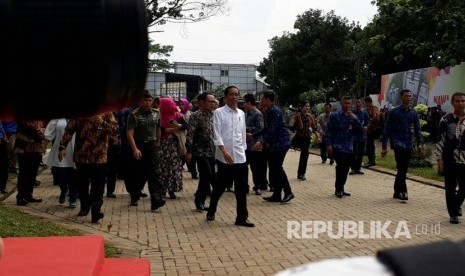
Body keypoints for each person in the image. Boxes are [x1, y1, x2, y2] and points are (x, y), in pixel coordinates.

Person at [206, 86, 255, 227]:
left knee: (241, 189)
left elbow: (242, 133)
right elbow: (217, 133)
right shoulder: (219, 113)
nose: (234, 97)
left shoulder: (241, 113)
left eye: (236, 94)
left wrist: (244, 150)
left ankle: (241, 217)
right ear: (226, 97)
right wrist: (223, 150)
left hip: (240, 157)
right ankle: (212, 208)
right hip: (224, 157)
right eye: (231, 94)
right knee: (221, 186)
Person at [59, 113, 118, 223]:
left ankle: (96, 211)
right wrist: (62, 147)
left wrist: (102, 122)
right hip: (82, 157)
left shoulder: (107, 114)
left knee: (98, 186)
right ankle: (85, 207)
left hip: (100, 157)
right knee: (82, 185)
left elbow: (115, 131)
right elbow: (69, 130)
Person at [126, 91, 165, 210]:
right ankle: (135, 195)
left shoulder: (156, 113)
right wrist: (135, 149)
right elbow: (129, 133)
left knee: (155, 172)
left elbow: (158, 128)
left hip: (152, 145)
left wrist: (158, 144)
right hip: (139, 145)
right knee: (139, 173)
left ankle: (156, 200)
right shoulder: (134, 115)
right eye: (145, 100)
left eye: (150, 100)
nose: (148, 103)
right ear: (140, 101)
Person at [381, 89, 423, 201]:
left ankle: (396, 191)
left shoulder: (413, 113)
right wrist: (384, 146)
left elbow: (418, 129)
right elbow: (387, 129)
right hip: (397, 143)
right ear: (401, 97)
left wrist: (420, 143)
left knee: (403, 169)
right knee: (401, 166)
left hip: (408, 143)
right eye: (406, 96)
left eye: (410, 96)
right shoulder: (394, 112)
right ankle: (403, 191)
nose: (408, 98)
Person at [254, 91, 294, 203]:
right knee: (274, 168)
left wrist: (261, 142)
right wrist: (253, 135)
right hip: (276, 144)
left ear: (268, 99)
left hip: (281, 143)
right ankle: (277, 194)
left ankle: (288, 192)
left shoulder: (274, 111)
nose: (260, 101)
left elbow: (273, 130)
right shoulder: (269, 111)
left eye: (262, 99)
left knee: (277, 168)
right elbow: (266, 129)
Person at [435, 92, 465, 224]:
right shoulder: (445, 120)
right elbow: (440, 140)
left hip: (464, 160)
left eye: (463, 101)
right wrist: (439, 159)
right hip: (449, 160)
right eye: (458, 101)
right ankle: (453, 214)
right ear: (452, 103)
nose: (461, 104)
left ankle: (456, 205)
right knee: (450, 188)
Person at [325, 96, 362, 198]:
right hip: (337, 146)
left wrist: (355, 119)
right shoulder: (335, 116)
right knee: (340, 166)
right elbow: (328, 131)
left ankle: (341, 187)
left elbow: (360, 130)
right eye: (345, 103)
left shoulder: (352, 117)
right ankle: (338, 188)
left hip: (349, 147)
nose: (347, 105)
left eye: (349, 103)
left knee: (346, 168)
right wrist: (328, 145)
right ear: (341, 104)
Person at [186, 93, 216, 211]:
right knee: (206, 174)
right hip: (199, 151)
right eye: (210, 101)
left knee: (210, 176)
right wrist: (189, 151)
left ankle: (201, 199)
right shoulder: (196, 116)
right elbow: (190, 135)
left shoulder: (214, 115)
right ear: (202, 102)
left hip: (212, 151)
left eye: (214, 101)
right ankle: (199, 200)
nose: (213, 104)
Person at [44, 118, 78, 208]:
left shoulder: (80, 117)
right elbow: (48, 134)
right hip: (59, 150)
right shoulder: (57, 118)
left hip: (75, 150)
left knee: (74, 176)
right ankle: (64, 189)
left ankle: (73, 198)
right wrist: (43, 146)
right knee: (59, 173)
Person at [159, 97, 188, 200]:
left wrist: (179, 126)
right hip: (162, 146)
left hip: (174, 147)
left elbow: (186, 126)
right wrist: (166, 130)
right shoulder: (158, 115)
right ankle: (162, 190)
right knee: (163, 169)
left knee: (173, 169)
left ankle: (172, 190)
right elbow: (155, 129)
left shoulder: (176, 114)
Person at [14, 120, 47, 206]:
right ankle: (20, 197)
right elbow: (30, 128)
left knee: (32, 172)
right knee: (23, 172)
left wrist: (42, 132)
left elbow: (43, 128)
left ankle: (28, 195)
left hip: (35, 148)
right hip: (23, 148)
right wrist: (39, 133)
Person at [243, 93, 267, 195]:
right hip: (245, 145)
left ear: (249, 102)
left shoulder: (257, 114)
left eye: (244, 102)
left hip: (254, 145)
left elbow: (261, 129)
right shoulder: (245, 114)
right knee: (243, 167)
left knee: (255, 168)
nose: (243, 104)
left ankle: (257, 186)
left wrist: (247, 130)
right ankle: (245, 186)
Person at [293, 101, 317, 180]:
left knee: (305, 155)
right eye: (305, 106)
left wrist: (318, 137)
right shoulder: (298, 116)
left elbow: (313, 128)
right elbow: (300, 127)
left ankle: (301, 173)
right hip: (300, 138)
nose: (307, 108)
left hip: (307, 138)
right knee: (305, 153)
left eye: (308, 106)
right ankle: (301, 173)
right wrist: (299, 116)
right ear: (302, 107)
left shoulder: (310, 117)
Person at [349, 98, 370, 175]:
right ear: (354, 104)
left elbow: (368, 122)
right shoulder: (351, 113)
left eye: (359, 102)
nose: (358, 104)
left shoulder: (364, 113)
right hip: (353, 135)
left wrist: (367, 126)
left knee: (361, 153)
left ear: (362, 103)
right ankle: (352, 168)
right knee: (353, 152)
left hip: (362, 135)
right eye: (357, 102)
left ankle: (358, 168)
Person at [179, 98, 198, 179]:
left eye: (182, 104)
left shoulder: (190, 114)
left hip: (190, 137)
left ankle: (193, 172)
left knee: (191, 156)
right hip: (182, 137)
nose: (181, 106)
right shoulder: (178, 114)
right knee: (182, 156)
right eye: (180, 104)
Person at [363, 96, 380, 167]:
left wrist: (368, 121)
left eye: (365, 102)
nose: (365, 104)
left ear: (368, 102)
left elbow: (375, 118)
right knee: (369, 145)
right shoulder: (368, 109)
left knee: (370, 145)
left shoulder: (374, 108)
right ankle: (370, 160)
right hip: (368, 130)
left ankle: (372, 161)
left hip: (372, 129)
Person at [0, 121, 8, 194]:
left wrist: (4, 135)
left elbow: (1, 127)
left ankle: (3, 186)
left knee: (4, 164)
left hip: (1, 141)